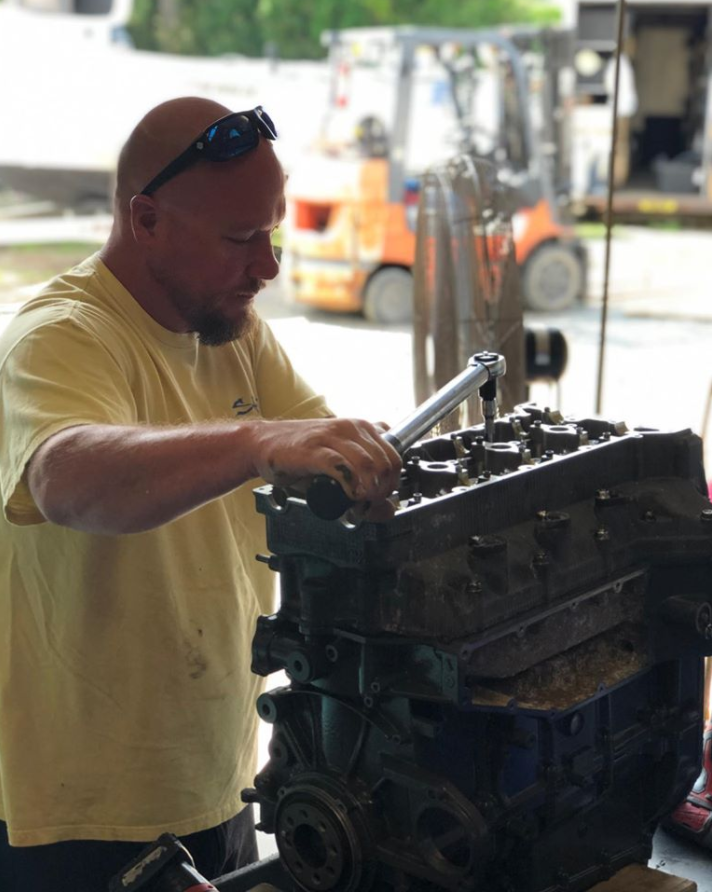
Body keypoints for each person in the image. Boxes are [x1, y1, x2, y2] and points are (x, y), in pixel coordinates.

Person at [0, 97, 401, 892]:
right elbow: (67, 477)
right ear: (145, 220)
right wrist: (260, 442)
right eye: (240, 239)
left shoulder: (232, 330)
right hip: (82, 819)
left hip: (218, 781)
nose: (269, 268)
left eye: (273, 232)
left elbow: (326, 459)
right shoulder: (61, 337)